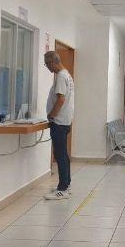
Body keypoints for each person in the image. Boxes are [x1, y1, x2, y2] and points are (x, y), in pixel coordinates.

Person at [43, 51, 75, 201]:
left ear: (52, 62)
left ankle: (62, 189)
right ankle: (66, 184)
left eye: (47, 64)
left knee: (60, 155)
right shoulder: (67, 74)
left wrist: (51, 115)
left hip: (59, 122)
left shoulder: (61, 76)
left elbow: (61, 99)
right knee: (63, 155)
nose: (47, 67)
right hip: (65, 121)